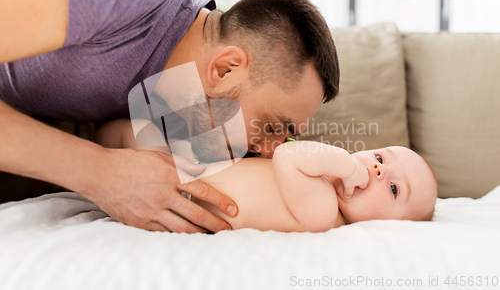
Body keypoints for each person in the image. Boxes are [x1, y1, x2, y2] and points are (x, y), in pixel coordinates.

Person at [0, 0, 339, 233]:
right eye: (271, 126)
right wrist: (100, 172)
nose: (269, 154)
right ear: (225, 69)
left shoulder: (175, 103)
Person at [95, 122, 438, 232]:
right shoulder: (323, 182)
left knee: (127, 140)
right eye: (380, 157)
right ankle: (90, 148)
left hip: (178, 196)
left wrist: (348, 167)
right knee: (126, 131)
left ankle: (90, 162)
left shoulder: (325, 216)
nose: (377, 169)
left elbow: (290, 156)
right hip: (185, 167)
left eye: (393, 188)